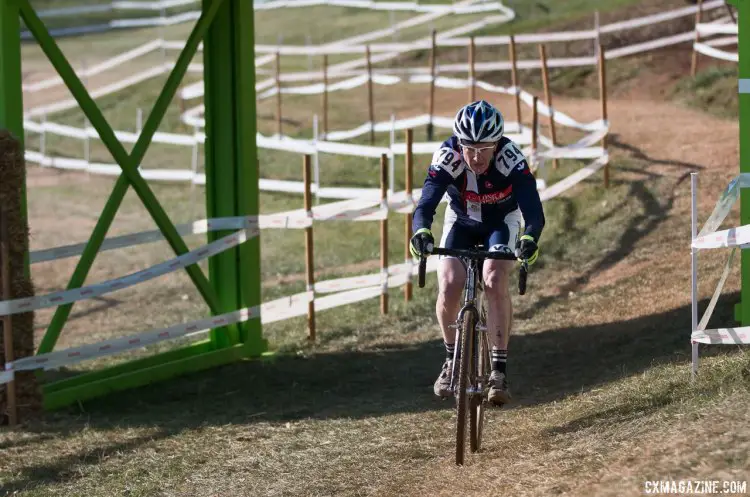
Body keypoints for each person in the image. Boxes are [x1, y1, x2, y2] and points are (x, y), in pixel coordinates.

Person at [409, 100, 545, 405]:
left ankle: (498, 370)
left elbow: (534, 212)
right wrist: (421, 231)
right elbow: (426, 205)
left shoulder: (511, 159)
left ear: (497, 144)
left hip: (502, 221)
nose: (476, 156)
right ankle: (450, 360)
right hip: (461, 221)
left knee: (495, 278)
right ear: (460, 143)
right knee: (449, 281)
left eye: (485, 148)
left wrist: (530, 238)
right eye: (470, 147)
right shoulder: (448, 156)